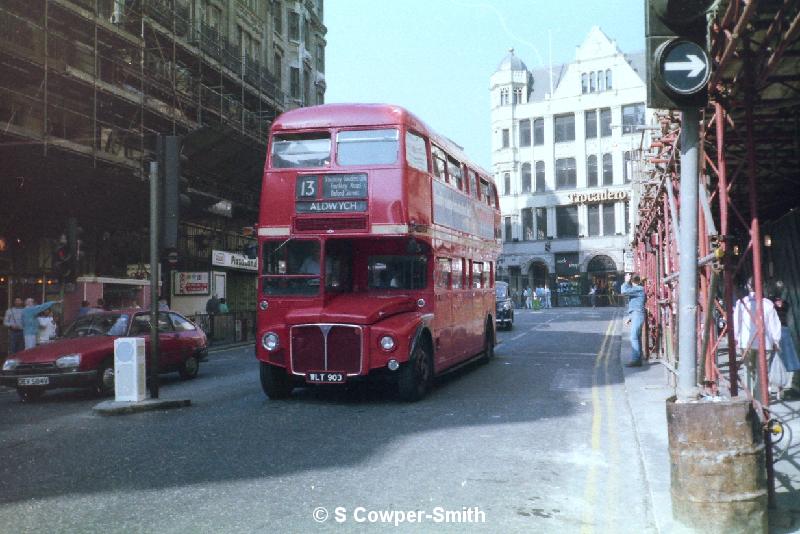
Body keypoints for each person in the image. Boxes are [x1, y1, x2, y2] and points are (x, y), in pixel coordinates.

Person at [733, 278, 782, 400]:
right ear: (762, 286)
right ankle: (761, 398)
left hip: (746, 342)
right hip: (765, 343)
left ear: (748, 287)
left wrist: (736, 339)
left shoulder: (741, 303)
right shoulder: (767, 304)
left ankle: (750, 398)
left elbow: (736, 323)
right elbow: (774, 325)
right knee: (762, 371)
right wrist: (776, 341)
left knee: (748, 371)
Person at [620, 273, 646, 367]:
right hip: (636, 314)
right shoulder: (638, 289)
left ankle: (636, 360)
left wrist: (626, 281)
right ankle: (639, 358)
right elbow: (636, 303)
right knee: (637, 337)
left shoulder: (639, 289)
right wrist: (630, 318)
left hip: (637, 314)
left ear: (632, 281)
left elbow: (624, 292)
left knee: (633, 337)